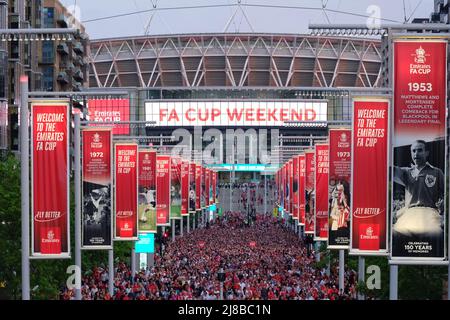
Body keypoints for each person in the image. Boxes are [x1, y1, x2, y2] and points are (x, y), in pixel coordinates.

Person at [393, 140, 444, 240]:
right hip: (410, 213)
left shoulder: (437, 172)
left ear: (427, 153)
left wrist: (443, 211)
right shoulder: (406, 172)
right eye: (413, 151)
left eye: (420, 150)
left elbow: (445, 195)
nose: (416, 153)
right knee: (395, 235)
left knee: (436, 235)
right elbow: (388, 169)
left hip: (430, 212)